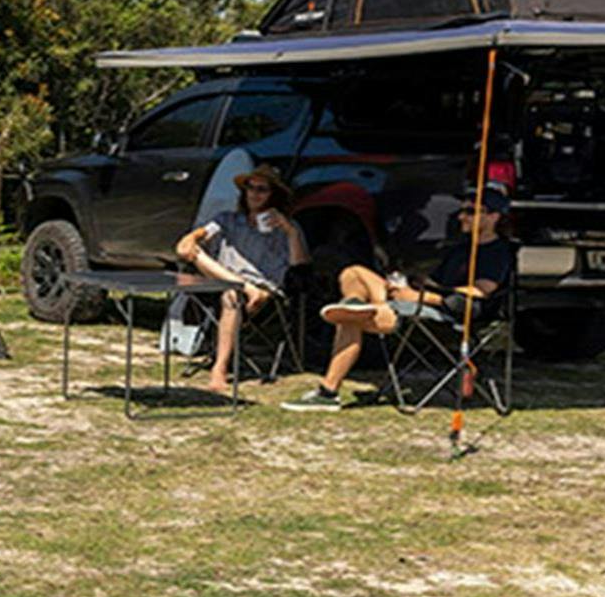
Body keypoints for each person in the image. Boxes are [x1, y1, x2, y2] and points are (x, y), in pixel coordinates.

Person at [282, 184, 516, 412]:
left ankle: (328, 391)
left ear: (494, 216)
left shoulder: (498, 251)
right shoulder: (460, 249)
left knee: (348, 319)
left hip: (448, 313)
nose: (462, 217)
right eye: (462, 211)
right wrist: (408, 282)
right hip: (416, 300)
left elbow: (481, 293)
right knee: (353, 272)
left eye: (471, 212)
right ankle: (361, 303)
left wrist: (421, 296)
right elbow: (435, 281)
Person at [175, 164, 307, 395]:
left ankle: (220, 367)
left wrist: (290, 232)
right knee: (198, 259)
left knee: (232, 295)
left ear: (273, 195)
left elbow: (300, 268)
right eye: (250, 188)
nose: (254, 194)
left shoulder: (287, 227)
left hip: (265, 287)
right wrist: (192, 236)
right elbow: (202, 234)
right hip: (221, 280)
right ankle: (221, 365)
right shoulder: (228, 219)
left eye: (262, 189)